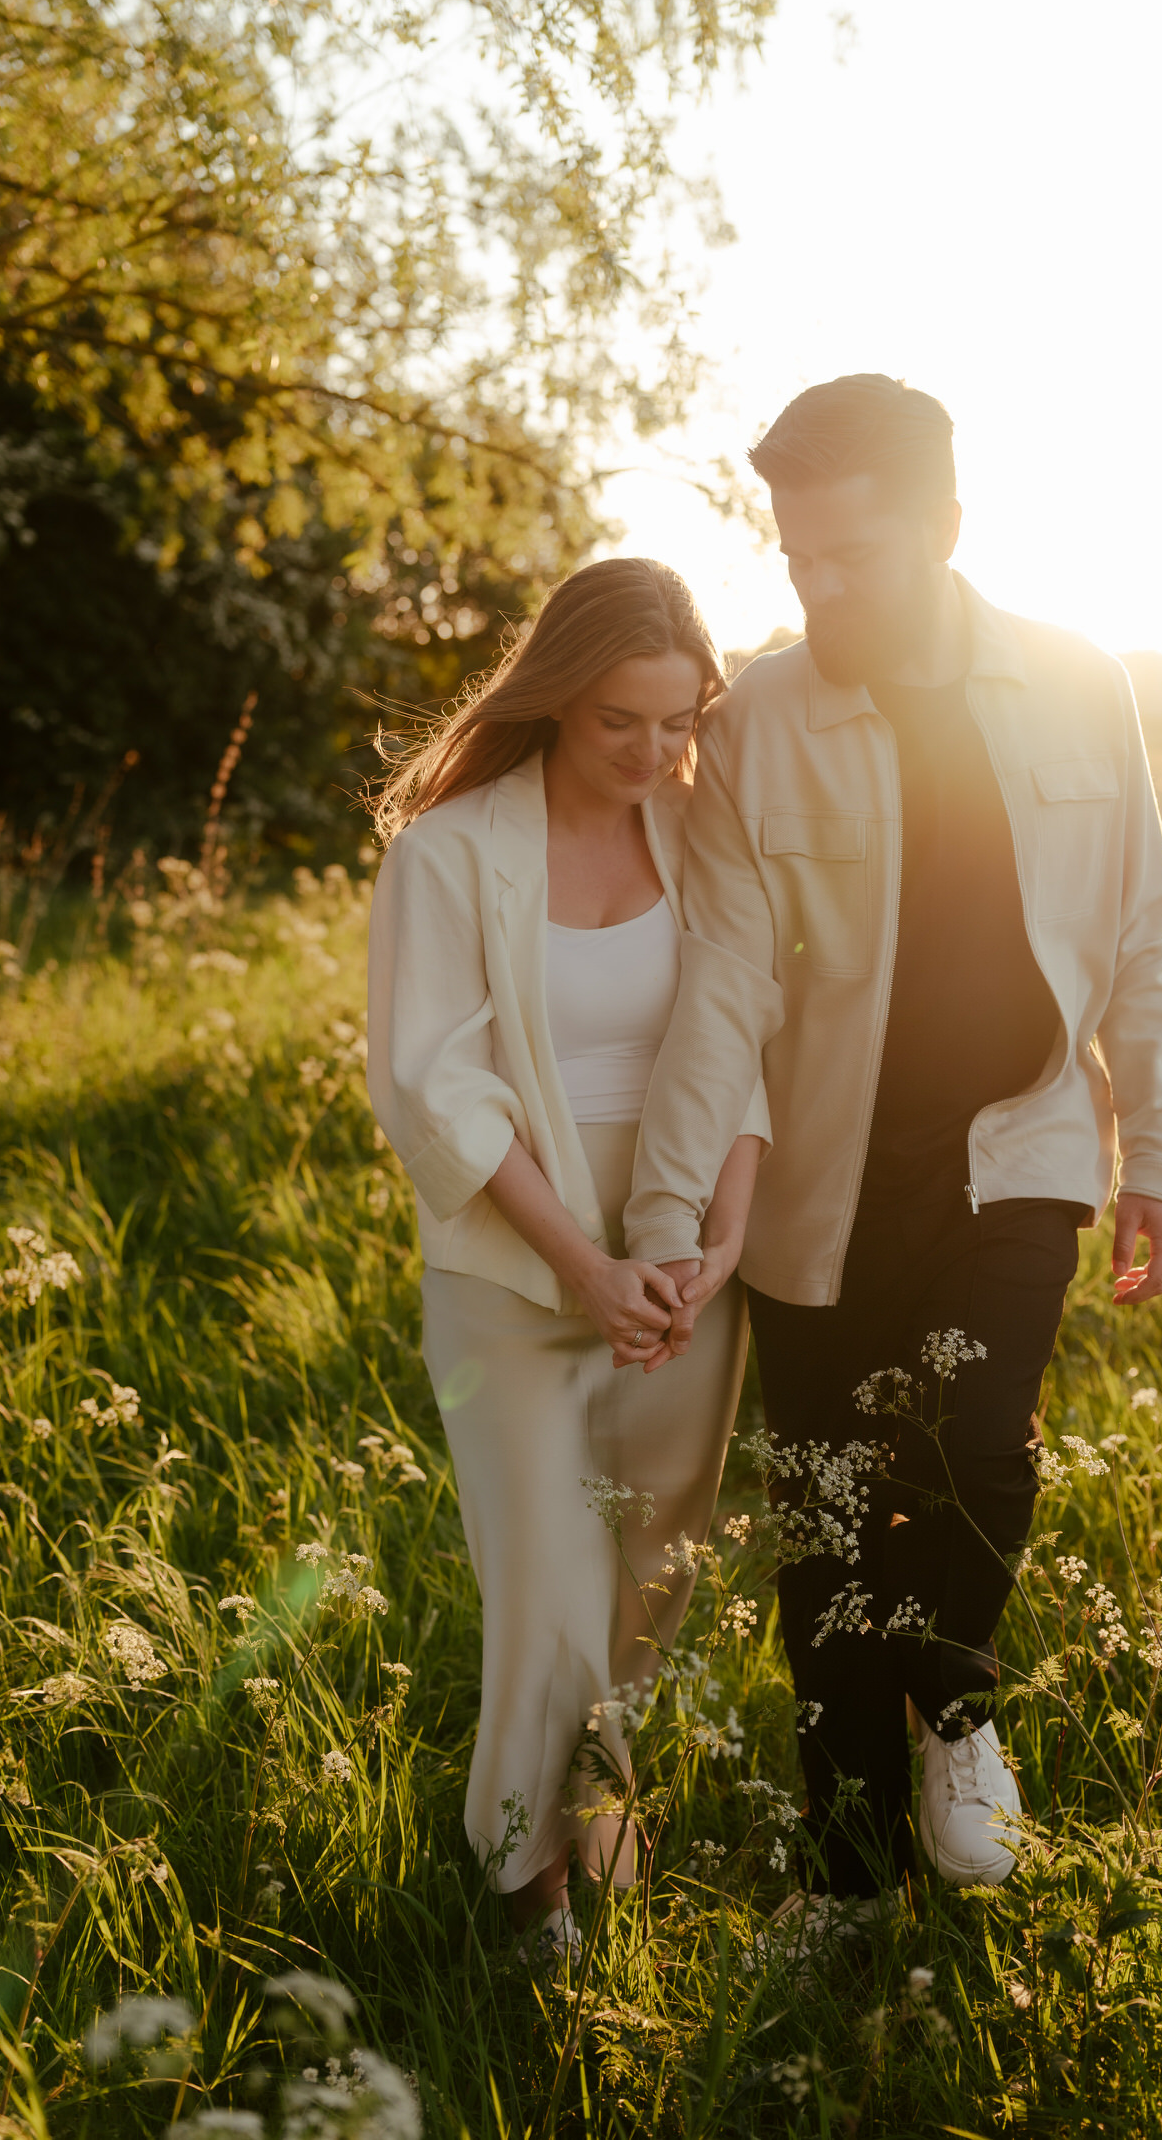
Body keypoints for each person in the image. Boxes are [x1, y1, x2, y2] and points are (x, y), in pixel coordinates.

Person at [625, 374, 1162, 1927]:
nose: (820, 589)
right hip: (821, 1182)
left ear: (946, 527)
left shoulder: (1083, 683)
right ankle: (850, 1883)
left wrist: (1159, 1153)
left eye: (854, 557)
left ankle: (956, 1707)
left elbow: (1138, 937)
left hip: (1022, 1146)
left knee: (972, 1439)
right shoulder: (756, 723)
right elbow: (725, 988)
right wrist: (672, 1208)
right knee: (825, 1523)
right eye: (798, 557)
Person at [365, 558, 768, 1962]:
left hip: (683, 1257)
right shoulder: (447, 855)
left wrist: (722, 1235)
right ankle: (526, 1880)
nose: (655, 751)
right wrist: (585, 1268)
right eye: (620, 721)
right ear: (553, 698)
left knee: (649, 1580)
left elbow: (739, 1038)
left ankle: (599, 1812)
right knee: (548, 1594)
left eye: (679, 720)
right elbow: (432, 1086)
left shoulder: (705, 834)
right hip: (512, 1265)